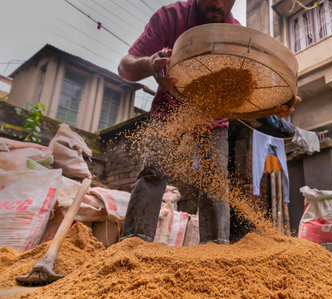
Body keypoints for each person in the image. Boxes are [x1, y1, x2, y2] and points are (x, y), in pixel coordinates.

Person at [118, 0, 296, 245]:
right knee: (153, 171)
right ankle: (133, 244)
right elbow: (125, 66)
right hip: (170, 109)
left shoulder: (237, 37)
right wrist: (149, 64)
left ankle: (215, 250)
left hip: (213, 113)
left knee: (215, 184)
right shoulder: (172, 17)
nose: (218, 3)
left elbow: (250, 93)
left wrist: (273, 104)